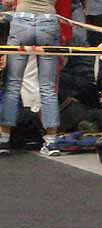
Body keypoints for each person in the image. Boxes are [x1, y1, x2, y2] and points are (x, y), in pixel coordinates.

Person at [0, 0, 61, 156]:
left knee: (12, 85)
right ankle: (51, 142)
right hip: (48, 19)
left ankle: (4, 140)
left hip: (22, 19)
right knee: (47, 86)